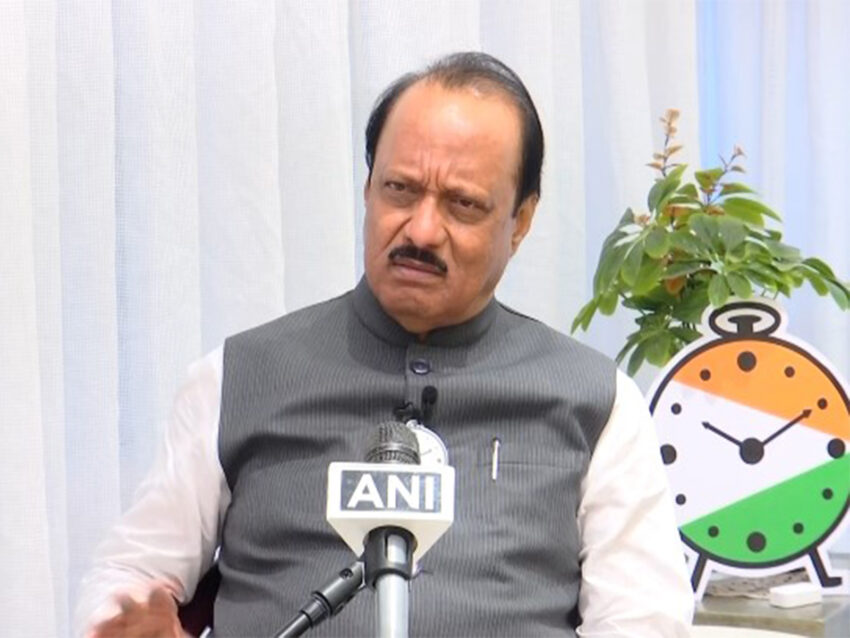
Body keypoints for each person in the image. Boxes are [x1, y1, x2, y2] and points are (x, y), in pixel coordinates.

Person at [76, 51, 693, 637]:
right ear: (368, 187)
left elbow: (641, 618)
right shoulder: (236, 378)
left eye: (463, 204)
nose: (421, 230)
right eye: (400, 189)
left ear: (521, 221)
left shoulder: (596, 402)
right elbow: (132, 571)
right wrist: (126, 618)